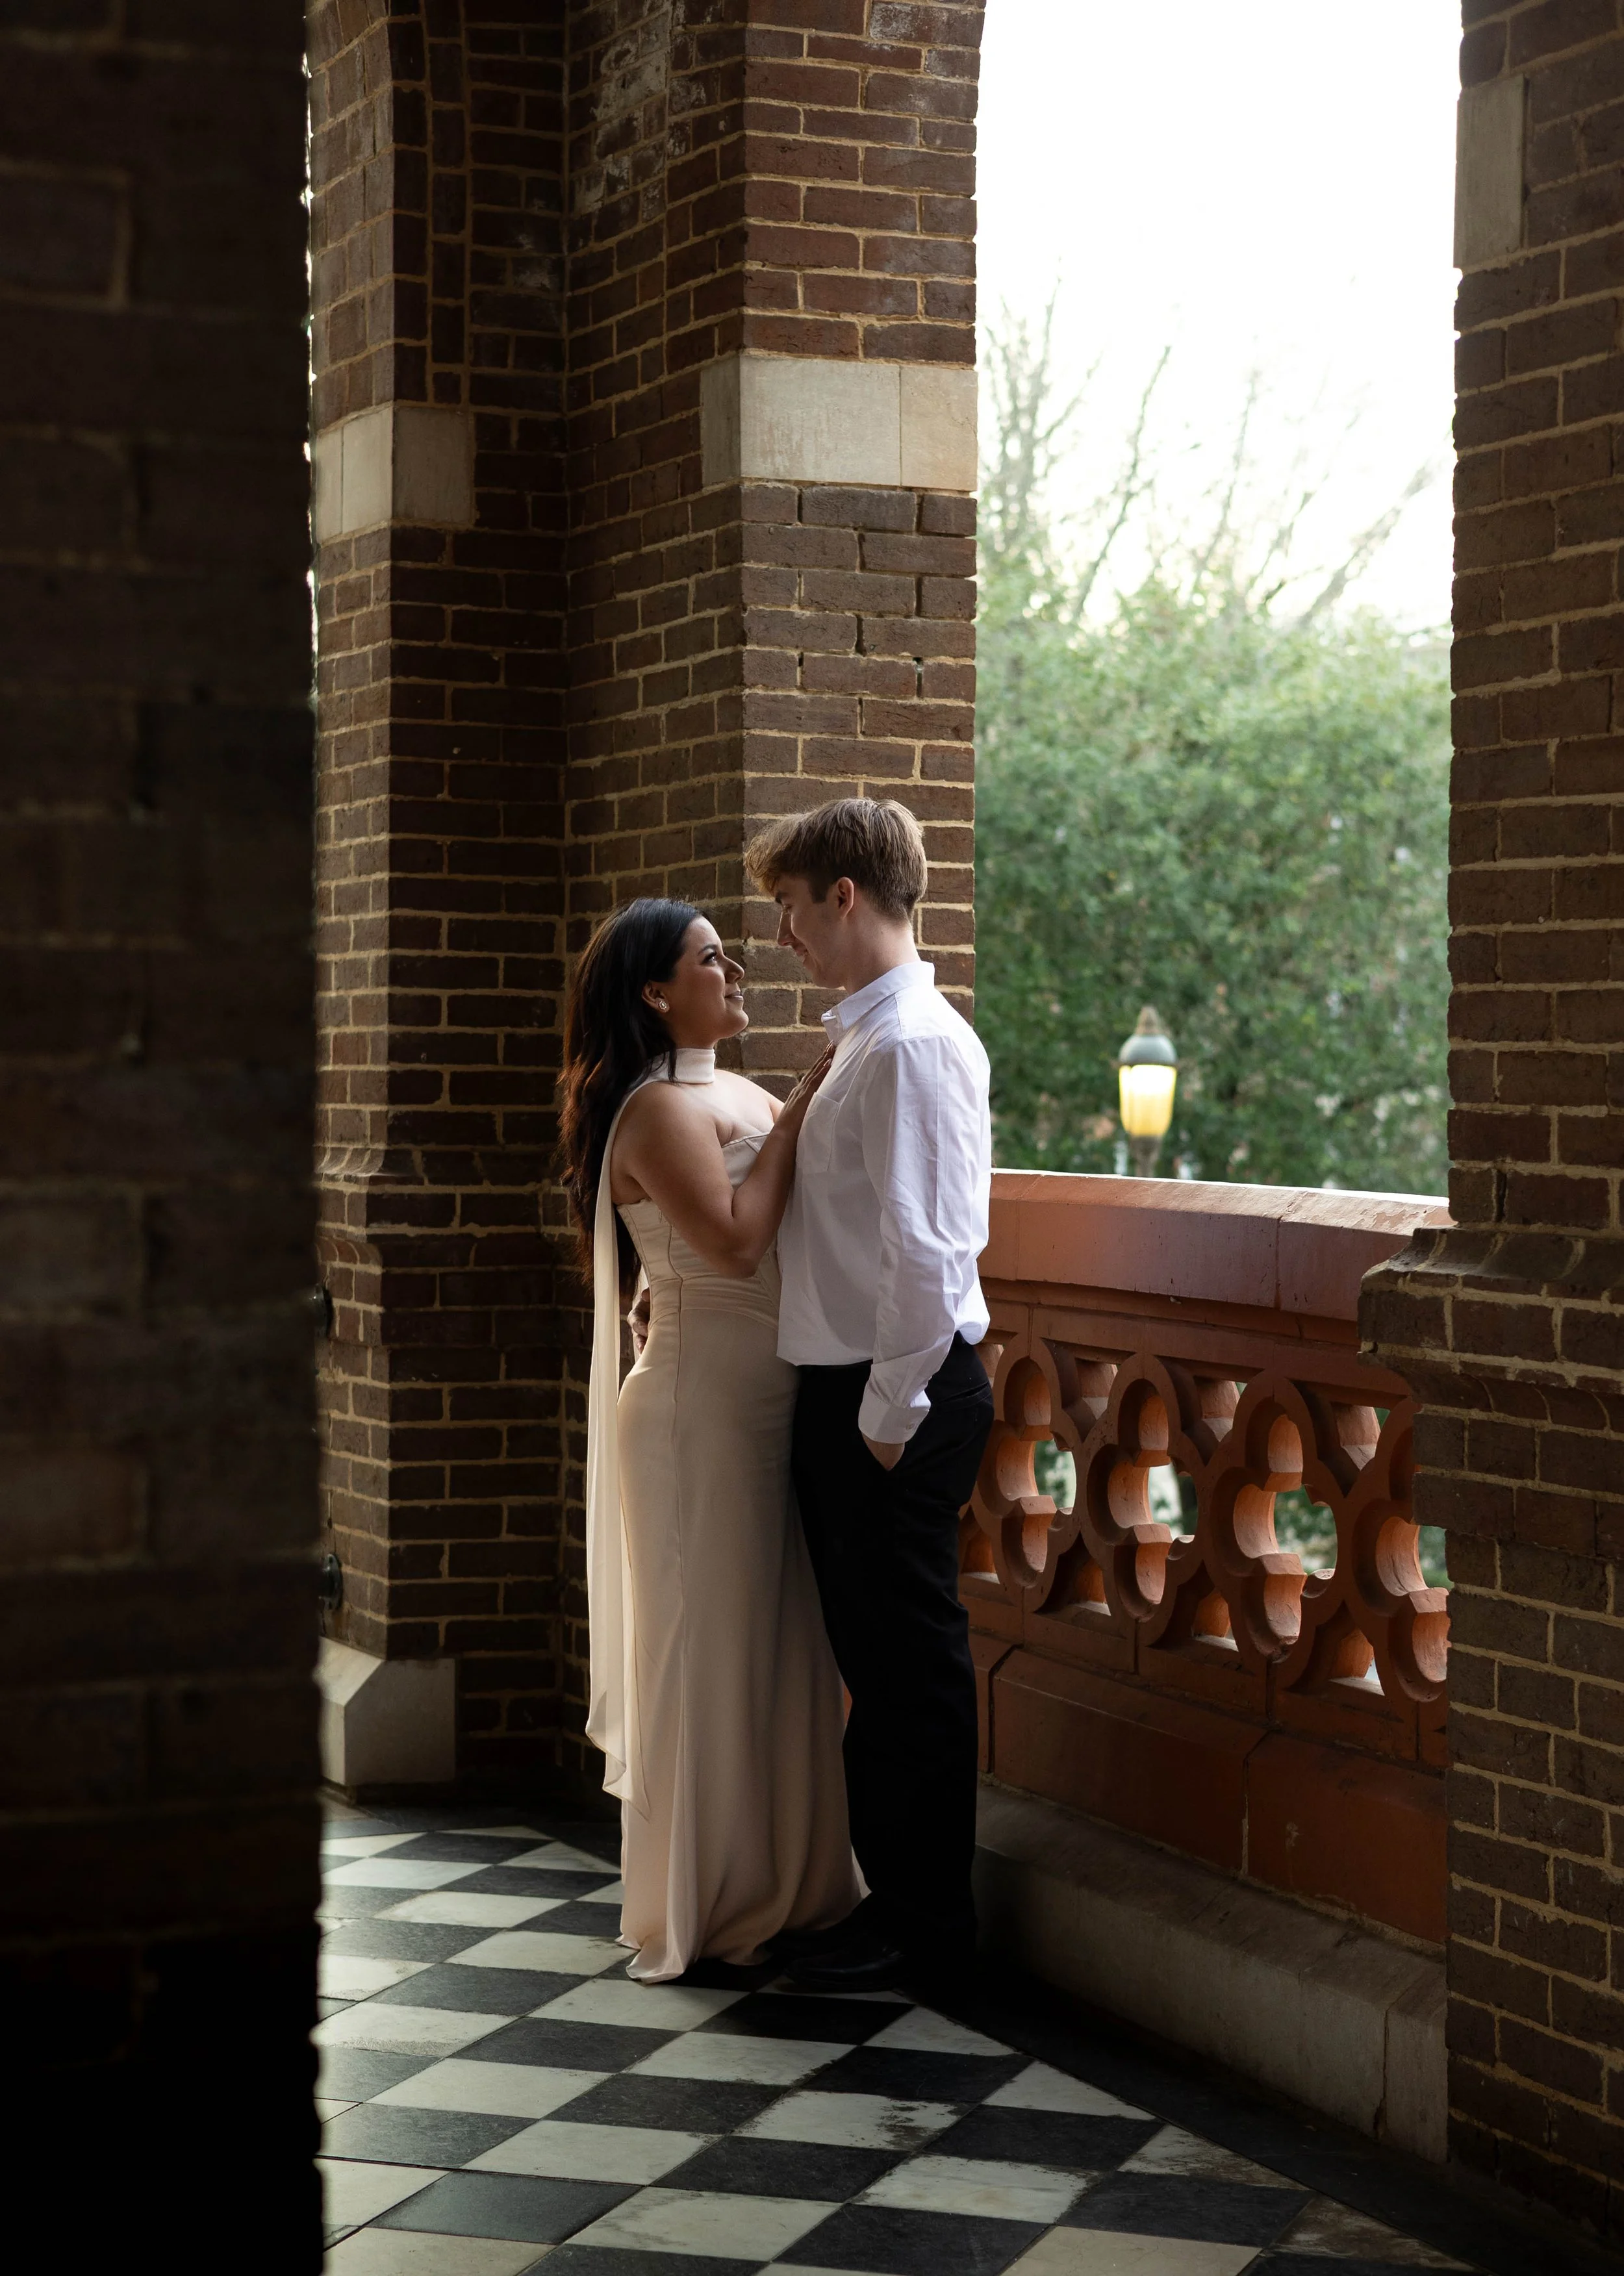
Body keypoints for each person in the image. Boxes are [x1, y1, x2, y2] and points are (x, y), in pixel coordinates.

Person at [558, 896, 858, 1983]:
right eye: (708, 959)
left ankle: (794, 1885)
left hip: (772, 1396)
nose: (734, 971)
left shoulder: (734, 1089)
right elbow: (732, 1245)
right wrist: (796, 1118)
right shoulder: (652, 1109)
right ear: (654, 992)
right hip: (697, 1411)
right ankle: (702, 1903)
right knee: (704, 1648)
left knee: (783, 1645)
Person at [744, 798, 995, 1993]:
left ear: (845, 894)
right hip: (852, 1389)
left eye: (789, 906)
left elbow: (931, 1255)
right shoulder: (868, 1038)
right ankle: (885, 1905)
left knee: (910, 1668)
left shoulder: (914, 1046)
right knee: (879, 1664)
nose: (781, 933)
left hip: (895, 1398)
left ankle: (926, 1931)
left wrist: (888, 1424)